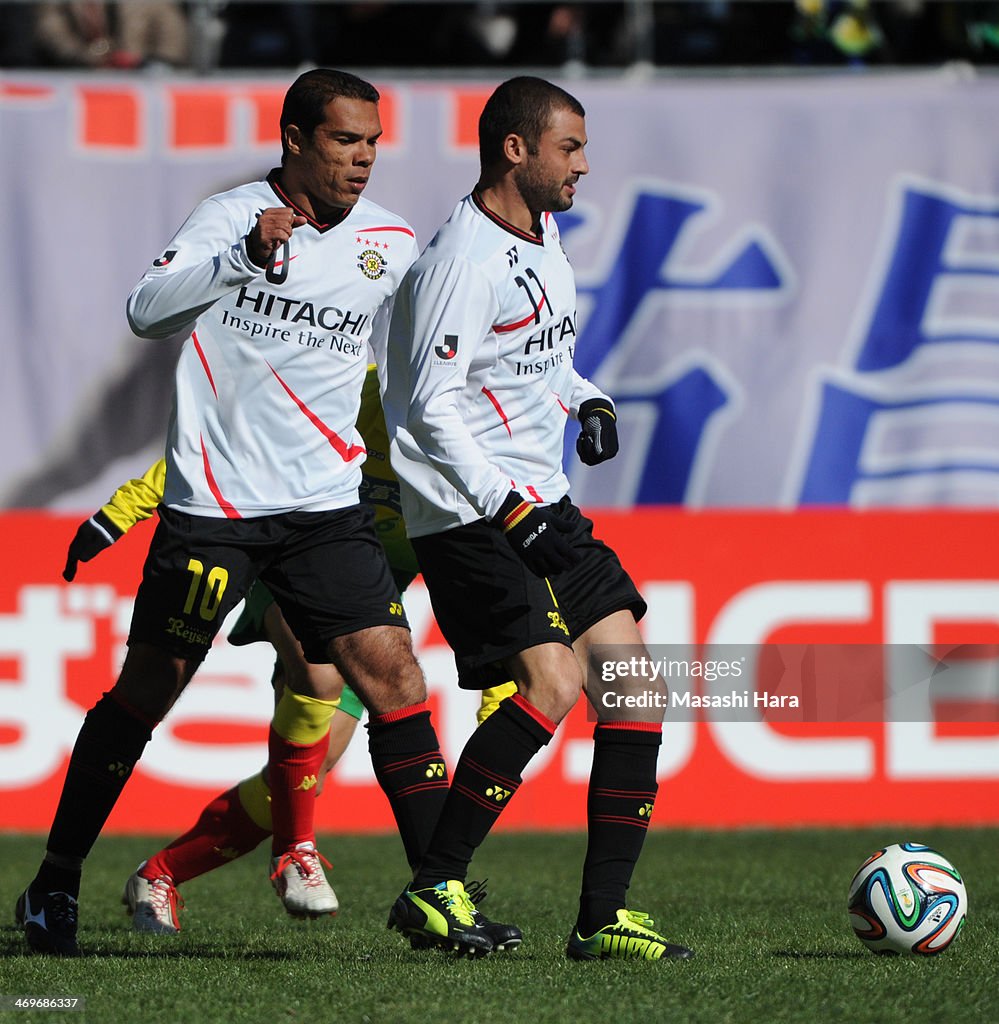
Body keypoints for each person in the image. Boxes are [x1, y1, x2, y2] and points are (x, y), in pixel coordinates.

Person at [15, 68, 462, 958]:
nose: (362, 159)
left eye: (372, 142)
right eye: (343, 140)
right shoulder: (229, 217)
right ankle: (55, 880)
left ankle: (437, 896)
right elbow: (146, 313)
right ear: (294, 139)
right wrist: (240, 262)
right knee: (146, 693)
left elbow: (432, 346)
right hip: (216, 509)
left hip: (327, 511)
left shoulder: (389, 239)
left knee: (396, 680)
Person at [380, 76, 695, 962]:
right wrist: (506, 505)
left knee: (634, 689)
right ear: (514, 149)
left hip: (540, 503)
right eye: (569, 148)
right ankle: (434, 887)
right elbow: (425, 408)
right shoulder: (459, 262)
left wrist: (584, 396)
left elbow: (539, 355)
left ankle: (600, 920)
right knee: (552, 685)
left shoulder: (541, 236)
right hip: (472, 513)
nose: (582, 166)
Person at [61, 367, 516, 938]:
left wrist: (500, 682)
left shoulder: (481, 449)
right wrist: (122, 511)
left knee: (310, 772)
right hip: (290, 550)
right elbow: (236, 446)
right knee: (318, 673)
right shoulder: (364, 392)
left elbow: (483, 579)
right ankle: (296, 851)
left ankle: (161, 874)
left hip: (369, 602)